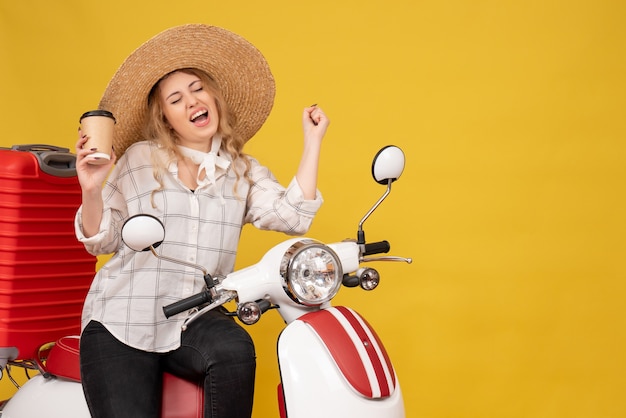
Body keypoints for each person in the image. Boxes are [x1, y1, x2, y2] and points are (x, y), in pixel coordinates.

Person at [74, 24, 329, 418]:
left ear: (213, 96)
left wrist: (312, 142)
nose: (192, 101)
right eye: (176, 99)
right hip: (122, 319)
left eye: (197, 88)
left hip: (195, 318)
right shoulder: (139, 159)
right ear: (165, 117)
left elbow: (291, 216)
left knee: (235, 350)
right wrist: (91, 189)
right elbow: (101, 240)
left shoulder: (242, 170)